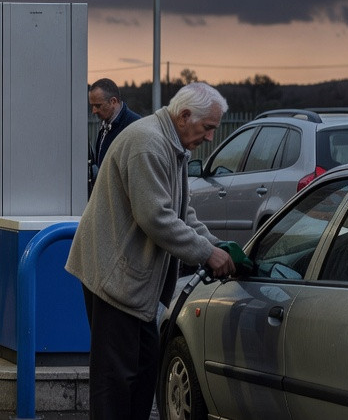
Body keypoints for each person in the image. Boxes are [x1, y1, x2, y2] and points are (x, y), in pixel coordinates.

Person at [65, 82, 235, 420]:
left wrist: (214, 246)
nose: (210, 137)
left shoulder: (169, 145)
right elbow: (155, 217)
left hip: (132, 283)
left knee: (142, 373)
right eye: (208, 127)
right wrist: (206, 254)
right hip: (114, 279)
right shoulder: (148, 143)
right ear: (185, 116)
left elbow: (181, 213)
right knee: (115, 382)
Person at [87, 78, 141, 195]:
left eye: (98, 105)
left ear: (113, 101)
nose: (94, 111)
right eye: (92, 106)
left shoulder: (134, 126)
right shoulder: (107, 122)